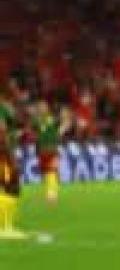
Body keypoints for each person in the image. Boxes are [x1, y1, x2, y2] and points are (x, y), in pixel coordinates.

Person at [30, 99, 70, 204]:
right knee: (47, 172)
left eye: (43, 107)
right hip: (43, 151)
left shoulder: (51, 119)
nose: (41, 109)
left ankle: (51, 194)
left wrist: (61, 129)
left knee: (51, 171)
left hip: (50, 150)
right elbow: (34, 134)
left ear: (47, 109)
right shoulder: (37, 121)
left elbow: (65, 124)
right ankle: (51, 193)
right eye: (40, 107)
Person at [0, 91, 25, 239]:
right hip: (4, 160)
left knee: (11, 190)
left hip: (7, 158)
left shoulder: (8, 131)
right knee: (7, 189)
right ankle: (5, 227)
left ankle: (7, 226)